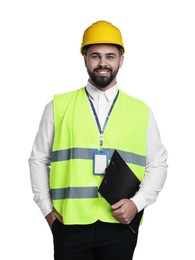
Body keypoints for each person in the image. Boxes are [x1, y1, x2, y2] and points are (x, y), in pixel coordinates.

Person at [28, 20, 168, 260]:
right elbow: (38, 159)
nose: (103, 63)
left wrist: (137, 203)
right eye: (95, 56)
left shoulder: (141, 111)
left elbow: (158, 163)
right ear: (84, 58)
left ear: (121, 59)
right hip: (69, 224)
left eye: (110, 56)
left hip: (120, 223)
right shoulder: (57, 107)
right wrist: (47, 210)